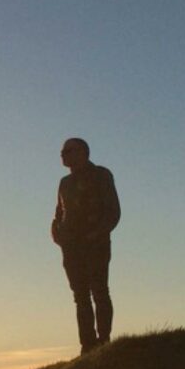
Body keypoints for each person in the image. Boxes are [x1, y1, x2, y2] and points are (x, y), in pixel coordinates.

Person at [51, 138, 121, 355]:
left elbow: (113, 211)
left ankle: (103, 341)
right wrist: (57, 233)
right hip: (71, 247)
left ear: (83, 152)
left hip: (95, 244)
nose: (63, 155)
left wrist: (96, 234)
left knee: (99, 291)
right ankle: (87, 345)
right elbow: (59, 213)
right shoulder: (65, 183)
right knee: (80, 295)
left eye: (68, 151)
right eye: (62, 151)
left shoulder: (101, 175)